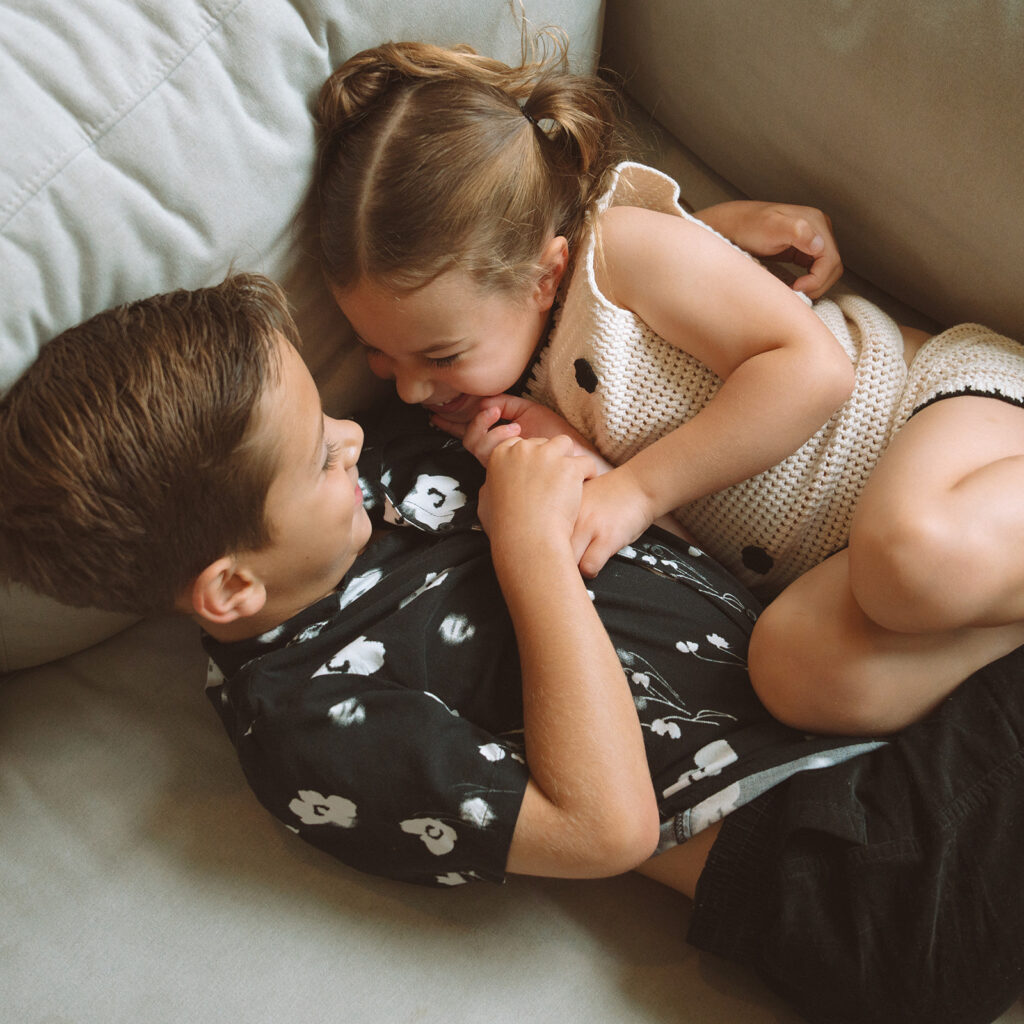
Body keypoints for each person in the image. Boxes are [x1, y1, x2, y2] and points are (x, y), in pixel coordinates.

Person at [1, 273, 1022, 1024]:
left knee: (907, 570)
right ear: (232, 587)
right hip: (855, 874)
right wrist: (530, 551)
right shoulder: (311, 730)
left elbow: (523, 296)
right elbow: (604, 828)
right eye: (318, 454)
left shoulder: (391, 458)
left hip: (877, 687)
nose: (356, 433)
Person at [313, 39, 1024, 736]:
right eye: (379, 353)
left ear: (545, 276)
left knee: (908, 554)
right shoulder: (514, 415)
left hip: (937, 419)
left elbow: (815, 373)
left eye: (439, 354)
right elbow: (688, 554)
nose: (409, 389)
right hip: (837, 570)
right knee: (788, 673)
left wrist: (636, 491)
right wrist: (581, 476)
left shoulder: (618, 255)